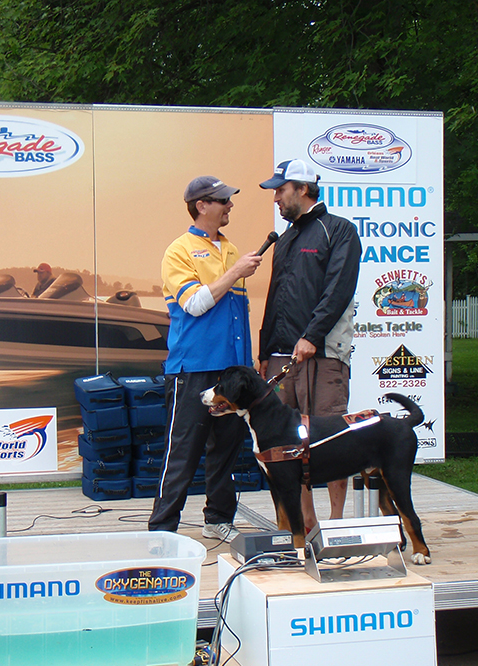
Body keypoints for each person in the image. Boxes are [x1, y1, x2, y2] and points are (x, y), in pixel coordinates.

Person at [149, 176, 264, 542]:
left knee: (226, 449)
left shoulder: (230, 249)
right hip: (192, 369)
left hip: (231, 371)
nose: (230, 205)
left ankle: (217, 519)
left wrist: (247, 365)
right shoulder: (178, 250)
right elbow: (194, 304)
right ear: (201, 205)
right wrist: (234, 274)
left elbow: (237, 316)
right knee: (182, 452)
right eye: (223, 200)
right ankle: (162, 530)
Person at [258, 159, 362, 534]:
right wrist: (264, 353)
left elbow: (338, 291)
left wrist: (312, 337)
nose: (275, 198)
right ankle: (307, 524)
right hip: (283, 357)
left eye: (280, 190)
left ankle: (336, 525)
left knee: (334, 436)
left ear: (302, 189)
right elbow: (274, 300)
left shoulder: (339, 231)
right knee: (289, 446)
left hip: (323, 355)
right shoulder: (284, 240)